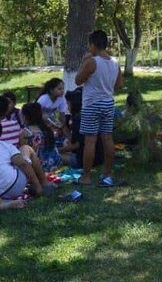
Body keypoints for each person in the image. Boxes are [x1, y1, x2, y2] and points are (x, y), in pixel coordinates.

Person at [74, 29, 124, 186]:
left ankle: (86, 176)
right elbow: (119, 84)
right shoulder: (115, 62)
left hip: (92, 104)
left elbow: (78, 80)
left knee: (90, 140)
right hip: (108, 103)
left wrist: (83, 62)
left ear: (93, 45)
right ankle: (107, 174)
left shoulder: (92, 61)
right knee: (107, 139)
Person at [21, 102, 66, 171]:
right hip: (56, 163)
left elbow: (24, 152)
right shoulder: (47, 129)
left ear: (25, 117)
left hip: (40, 167)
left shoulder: (26, 132)